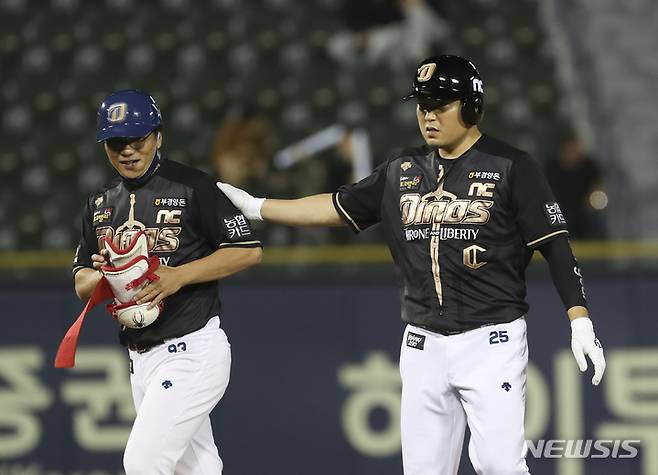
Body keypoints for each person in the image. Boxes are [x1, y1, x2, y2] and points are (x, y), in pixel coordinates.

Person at [217, 55, 606, 475]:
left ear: (472, 107)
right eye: (422, 105)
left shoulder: (512, 166)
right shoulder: (402, 168)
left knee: (499, 466)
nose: (428, 115)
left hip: (490, 341)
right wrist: (258, 207)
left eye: (441, 104)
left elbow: (556, 246)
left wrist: (579, 318)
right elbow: (335, 206)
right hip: (422, 344)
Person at [72, 89, 262, 474]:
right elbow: (81, 282)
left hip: (191, 350)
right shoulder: (100, 202)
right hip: (139, 360)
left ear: (158, 136)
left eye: (137, 138)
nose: (127, 150)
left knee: (143, 463)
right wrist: (106, 275)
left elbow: (247, 250)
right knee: (197, 469)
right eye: (116, 142)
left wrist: (179, 275)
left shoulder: (193, 186)